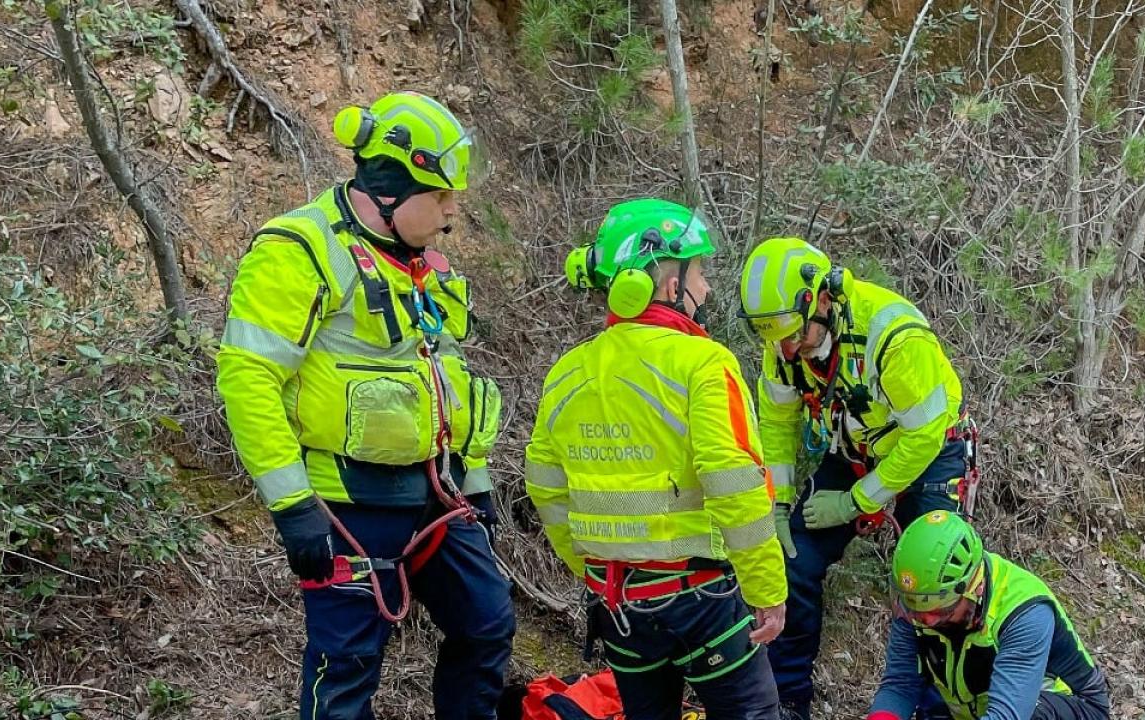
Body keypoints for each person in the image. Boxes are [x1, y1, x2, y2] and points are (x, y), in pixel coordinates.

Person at [216, 91, 513, 720]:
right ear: (389, 190)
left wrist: (477, 489)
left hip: (439, 496)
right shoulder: (298, 250)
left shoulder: (427, 264)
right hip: (346, 501)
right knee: (345, 664)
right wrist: (295, 506)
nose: (452, 213)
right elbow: (248, 380)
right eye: (441, 198)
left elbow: (451, 382)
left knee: (486, 624)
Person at [525, 198, 789, 720]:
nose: (707, 287)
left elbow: (546, 490)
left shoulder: (567, 373)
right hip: (703, 600)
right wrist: (768, 588)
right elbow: (733, 480)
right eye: (700, 272)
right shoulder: (704, 363)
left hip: (620, 607)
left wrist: (593, 569)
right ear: (671, 285)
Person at [736, 237, 971, 719]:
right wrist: (780, 500)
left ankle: (933, 707)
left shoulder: (894, 336)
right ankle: (787, 699)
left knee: (935, 579)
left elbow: (922, 437)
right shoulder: (781, 344)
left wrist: (856, 502)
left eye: (792, 335)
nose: (784, 348)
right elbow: (778, 423)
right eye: (773, 338)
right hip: (854, 451)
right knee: (793, 559)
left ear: (822, 299)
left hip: (930, 452)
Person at [869, 511, 1110, 720]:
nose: (927, 620)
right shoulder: (918, 600)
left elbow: (1008, 715)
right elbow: (900, 685)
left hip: (1068, 707)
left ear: (976, 588)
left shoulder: (1025, 613)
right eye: (916, 611)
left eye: (940, 611)